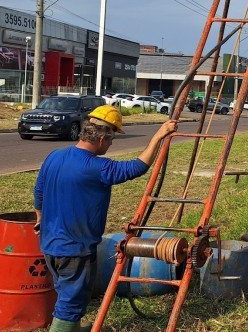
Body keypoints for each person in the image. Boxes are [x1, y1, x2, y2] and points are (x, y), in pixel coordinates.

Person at [33, 105, 177, 331]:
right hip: (75, 250)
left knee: (65, 292)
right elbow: (137, 167)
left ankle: (73, 328)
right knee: (71, 303)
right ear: (101, 138)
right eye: (111, 140)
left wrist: (40, 218)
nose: (110, 145)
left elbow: (39, 191)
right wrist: (159, 136)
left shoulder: (55, 157)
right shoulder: (98, 167)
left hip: (49, 245)